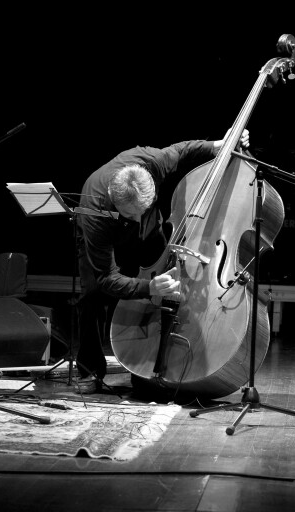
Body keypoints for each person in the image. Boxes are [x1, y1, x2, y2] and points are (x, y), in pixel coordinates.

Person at [74, 129, 250, 395]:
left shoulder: (150, 161)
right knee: (93, 296)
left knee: (165, 277)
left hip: (149, 232)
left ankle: (151, 357)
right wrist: (149, 288)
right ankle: (90, 370)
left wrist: (218, 144)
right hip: (105, 238)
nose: (135, 220)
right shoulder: (94, 208)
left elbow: (181, 150)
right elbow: (106, 277)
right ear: (114, 197)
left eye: (141, 211)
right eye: (130, 214)